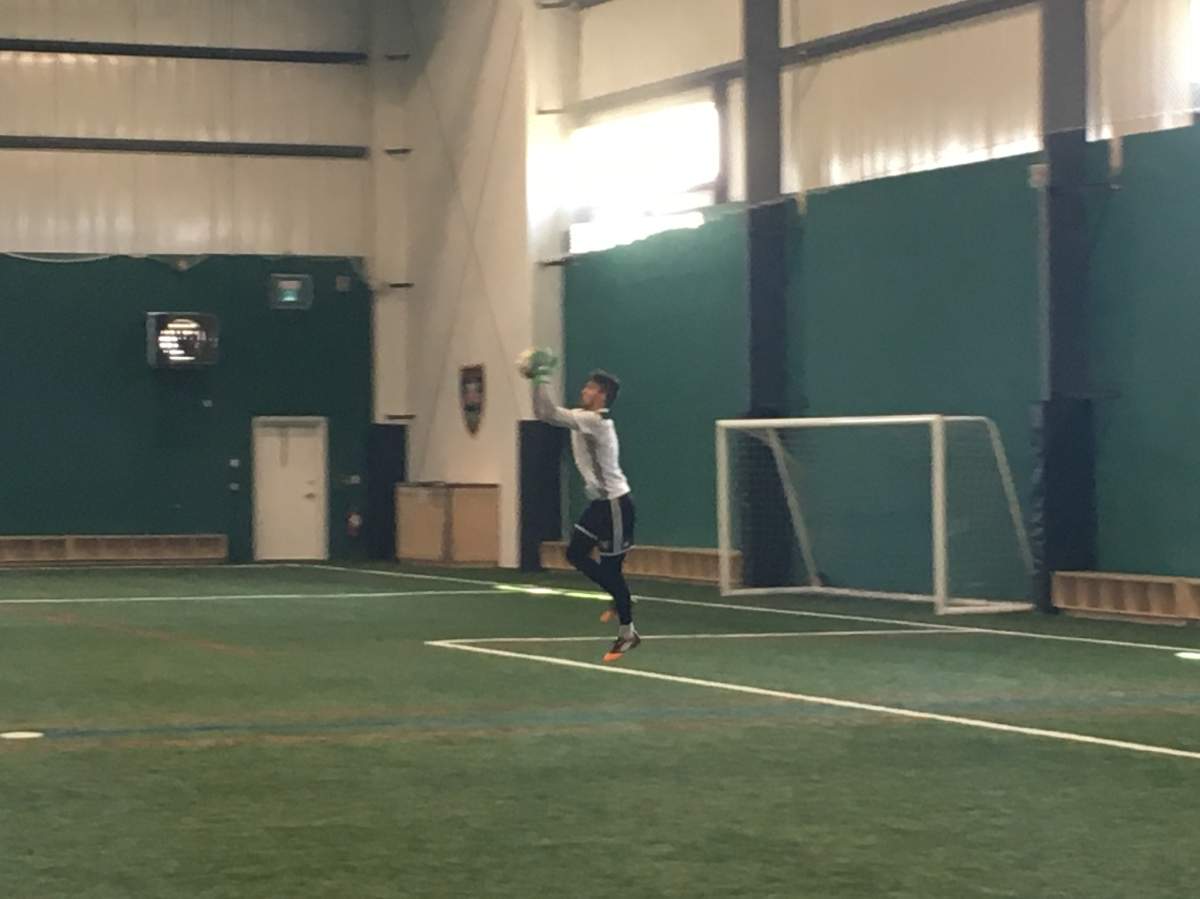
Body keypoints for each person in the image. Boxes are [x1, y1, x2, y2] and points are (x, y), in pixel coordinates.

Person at [519, 349, 639, 662]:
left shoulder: (593, 421)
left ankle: (628, 632)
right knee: (575, 554)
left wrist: (540, 377)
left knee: (612, 572)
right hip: (601, 505)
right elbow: (546, 412)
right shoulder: (585, 420)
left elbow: (546, 413)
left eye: (589, 387)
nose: (583, 390)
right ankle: (619, 596)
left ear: (602, 395)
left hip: (615, 504)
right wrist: (537, 381)